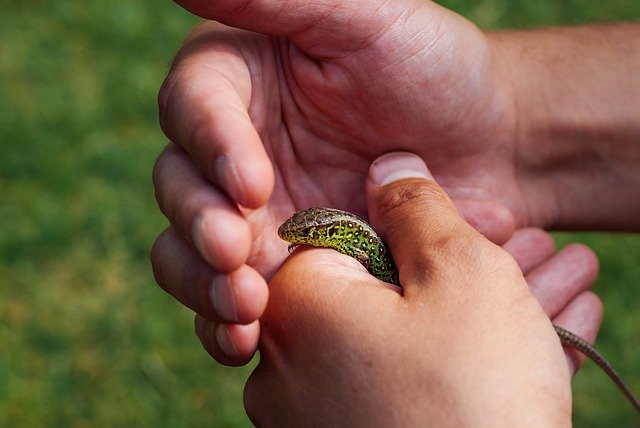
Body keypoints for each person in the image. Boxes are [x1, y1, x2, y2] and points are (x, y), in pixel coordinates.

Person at [150, 0, 639, 423]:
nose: (294, 234)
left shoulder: (347, 233)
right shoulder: (337, 234)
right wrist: (508, 117)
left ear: (327, 235)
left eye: (303, 231)